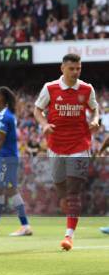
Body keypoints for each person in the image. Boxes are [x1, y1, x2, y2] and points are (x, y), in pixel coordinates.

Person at [34, 54, 100, 251]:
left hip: (80, 144)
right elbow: (38, 110)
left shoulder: (87, 89)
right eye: (71, 69)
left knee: (73, 191)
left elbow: (95, 109)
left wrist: (95, 120)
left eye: (78, 69)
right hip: (56, 145)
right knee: (62, 190)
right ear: (62, 68)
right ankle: (66, 205)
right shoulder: (50, 88)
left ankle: (68, 236)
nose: (75, 72)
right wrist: (44, 124)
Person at [0, 86, 32, 236]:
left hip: (6, 158)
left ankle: (25, 225)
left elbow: (0, 140)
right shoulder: (4, 114)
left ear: (1, 98)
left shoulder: (4, 116)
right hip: (6, 158)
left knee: (10, 190)